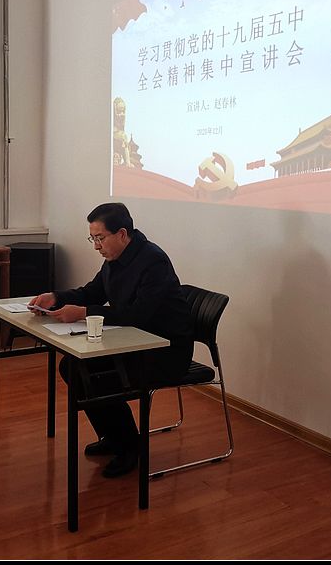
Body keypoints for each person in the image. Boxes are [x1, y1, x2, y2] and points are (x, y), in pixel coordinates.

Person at [28, 202, 194, 478]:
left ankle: (130, 446)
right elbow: (93, 292)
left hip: (164, 351)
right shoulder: (115, 258)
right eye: (92, 238)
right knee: (73, 367)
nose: (96, 246)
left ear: (122, 234)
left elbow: (138, 315)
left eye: (100, 238)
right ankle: (115, 437)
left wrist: (83, 313)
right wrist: (56, 297)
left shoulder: (153, 261)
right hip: (133, 343)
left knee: (96, 376)